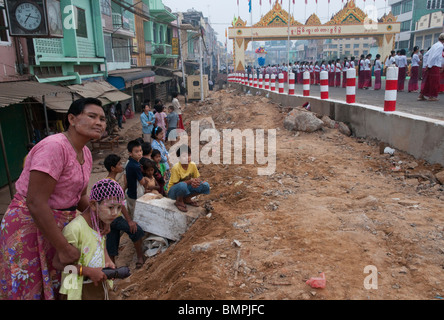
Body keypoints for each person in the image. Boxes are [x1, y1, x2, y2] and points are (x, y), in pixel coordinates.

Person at [0, 97, 106, 300]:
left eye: (102, 118)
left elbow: (80, 196)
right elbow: (35, 202)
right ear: (72, 119)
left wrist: (96, 218)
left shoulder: (85, 152)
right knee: (30, 287)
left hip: (57, 227)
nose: (99, 122)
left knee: (56, 285)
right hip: (30, 225)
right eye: (92, 116)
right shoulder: (55, 147)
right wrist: (64, 248)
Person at [59, 178, 124, 300]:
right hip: (79, 291)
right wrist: (87, 271)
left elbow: (100, 245)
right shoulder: (74, 230)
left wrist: (107, 260)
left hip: (100, 285)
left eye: (119, 208)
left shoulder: (100, 224)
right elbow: (61, 266)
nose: (115, 213)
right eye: (110, 207)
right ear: (94, 204)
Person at [103, 154, 145, 270]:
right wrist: (129, 220)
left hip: (108, 218)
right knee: (136, 231)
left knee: (112, 241)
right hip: (115, 217)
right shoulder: (112, 184)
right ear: (113, 168)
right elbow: (120, 204)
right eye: (119, 164)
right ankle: (140, 258)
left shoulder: (107, 181)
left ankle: (112, 267)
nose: (121, 166)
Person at [167, 145, 210, 213]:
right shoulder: (176, 168)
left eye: (189, 155)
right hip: (174, 192)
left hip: (185, 189)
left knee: (205, 185)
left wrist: (196, 182)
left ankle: (187, 198)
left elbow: (197, 178)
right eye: (184, 156)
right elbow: (176, 184)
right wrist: (190, 181)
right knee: (182, 185)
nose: (187, 158)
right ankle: (179, 201)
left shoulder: (192, 165)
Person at [418, 34, 444, 101]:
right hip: (434, 66)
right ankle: (432, 96)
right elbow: (434, 57)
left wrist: (427, 64)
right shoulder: (441, 46)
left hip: (431, 65)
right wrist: (429, 65)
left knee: (428, 81)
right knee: (434, 82)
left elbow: (426, 55)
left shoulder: (434, 45)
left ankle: (422, 95)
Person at [125, 140, 146, 218]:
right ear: (130, 153)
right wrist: (145, 179)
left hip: (130, 192)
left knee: (131, 210)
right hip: (136, 193)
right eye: (136, 151)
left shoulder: (130, 162)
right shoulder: (135, 166)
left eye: (140, 151)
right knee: (136, 213)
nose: (140, 153)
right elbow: (142, 182)